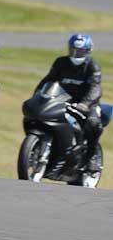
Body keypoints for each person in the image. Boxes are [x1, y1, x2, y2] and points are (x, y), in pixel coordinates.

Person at [35, 33, 102, 172]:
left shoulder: (92, 66)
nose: (76, 54)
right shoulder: (61, 62)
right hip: (62, 100)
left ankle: (91, 158)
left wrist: (85, 104)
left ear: (88, 51)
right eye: (73, 50)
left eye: (81, 51)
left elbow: (95, 88)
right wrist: (38, 96)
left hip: (87, 104)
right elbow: (49, 80)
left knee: (93, 124)